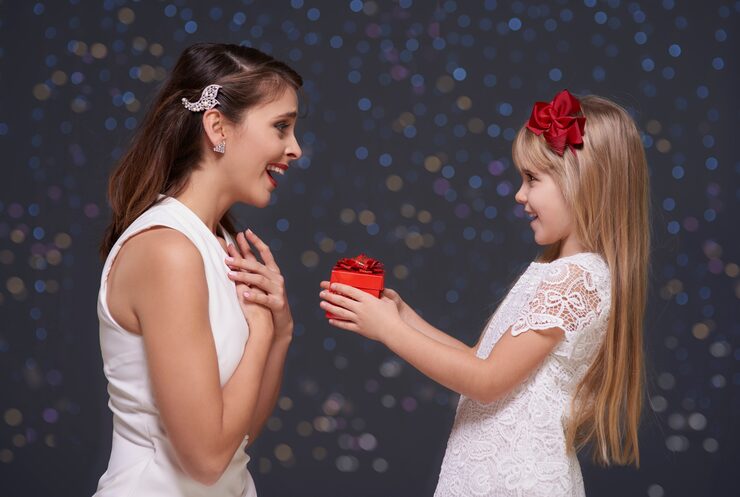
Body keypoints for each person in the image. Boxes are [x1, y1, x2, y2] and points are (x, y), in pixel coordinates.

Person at [319, 90, 650, 496]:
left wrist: (390, 330)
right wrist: (402, 316)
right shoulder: (556, 272)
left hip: (518, 482)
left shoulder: (575, 279)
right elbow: (480, 360)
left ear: (585, 183)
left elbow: (486, 381)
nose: (520, 195)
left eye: (532, 179)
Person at [95, 43, 302, 496]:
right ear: (217, 126)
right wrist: (260, 335)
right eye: (281, 127)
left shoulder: (220, 243)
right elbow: (206, 460)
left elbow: (237, 438)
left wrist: (279, 332)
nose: (295, 149)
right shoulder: (168, 250)